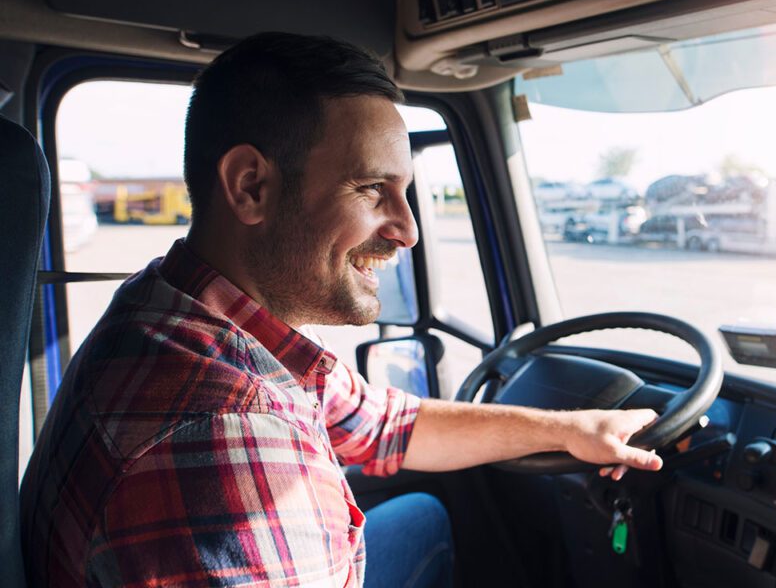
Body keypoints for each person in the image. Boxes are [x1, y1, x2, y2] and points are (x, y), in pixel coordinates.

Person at [20, 33, 664, 588]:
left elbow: (383, 423)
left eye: (405, 193)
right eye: (371, 189)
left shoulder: (181, 304)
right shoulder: (228, 438)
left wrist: (568, 430)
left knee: (423, 517)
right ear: (251, 186)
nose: (408, 231)